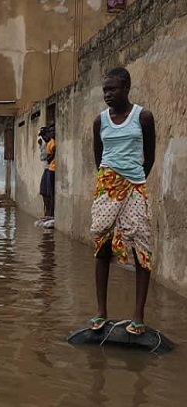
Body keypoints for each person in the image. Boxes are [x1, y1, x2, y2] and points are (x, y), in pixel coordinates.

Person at [89, 67, 156, 336]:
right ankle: (101, 312)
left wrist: (133, 180)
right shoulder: (99, 121)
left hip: (135, 186)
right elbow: (98, 157)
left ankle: (138, 315)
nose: (107, 94)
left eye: (112, 89)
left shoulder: (144, 117)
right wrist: (111, 181)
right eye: (105, 89)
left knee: (141, 247)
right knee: (102, 246)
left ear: (126, 88)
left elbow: (149, 156)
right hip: (107, 186)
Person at [38, 127, 52, 219]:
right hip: (46, 169)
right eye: (42, 136)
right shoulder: (44, 145)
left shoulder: (51, 143)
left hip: (50, 169)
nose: (43, 137)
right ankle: (47, 212)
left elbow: (46, 157)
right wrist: (40, 146)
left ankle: (49, 214)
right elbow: (42, 157)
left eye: (44, 135)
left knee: (48, 193)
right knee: (43, 191)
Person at [45, 125, 57, 218]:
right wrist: (54, 153)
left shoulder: (57, 141)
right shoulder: (50, 144)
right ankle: (51, 214)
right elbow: (48, 159)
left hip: (57, 170)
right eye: (50, 131)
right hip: (52, 170)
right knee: (52, 193)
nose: (52, 133)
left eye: (53, 131)